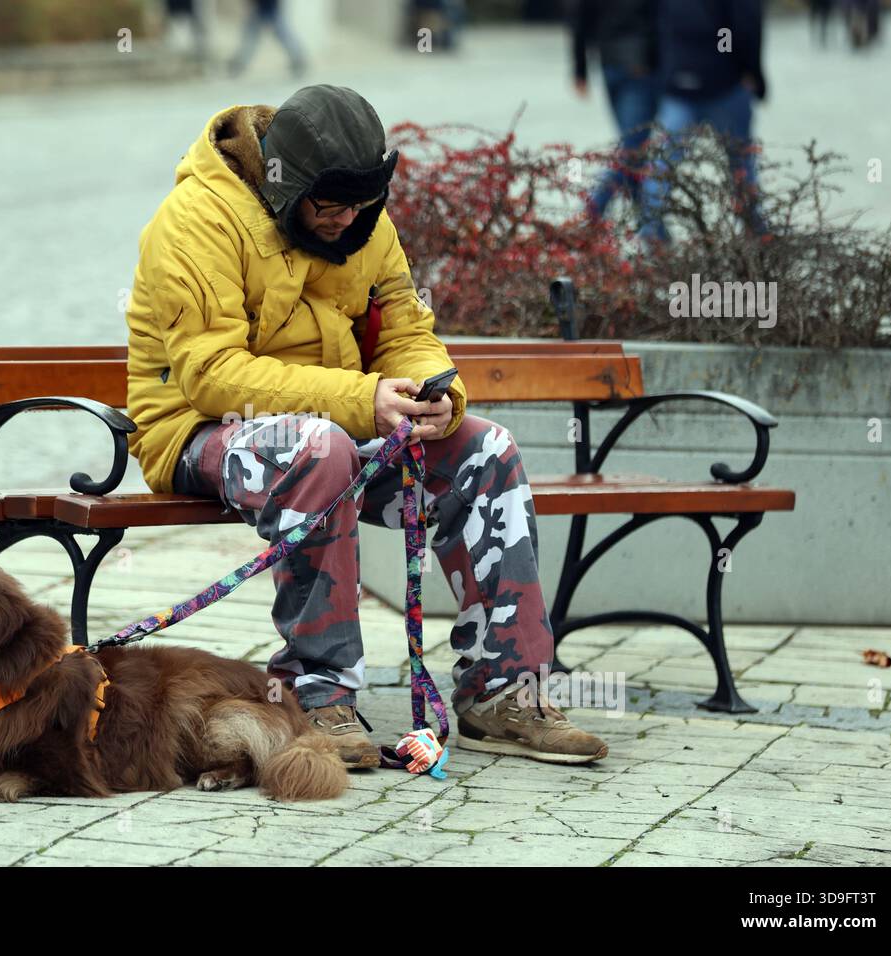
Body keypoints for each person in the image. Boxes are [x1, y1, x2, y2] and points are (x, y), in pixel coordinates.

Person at [124, 85, 609, 769]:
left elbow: (407, 330)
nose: (349, 219)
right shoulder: (196, 219)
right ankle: (316, 693)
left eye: (363, 203)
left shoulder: (362, 218)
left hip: (337, 430)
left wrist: (439, 392)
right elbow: (211, 374)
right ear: (288, 183)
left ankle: (502, 691)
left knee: (485, 450)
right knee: (318, 450)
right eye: (332, 206)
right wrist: (362, 400)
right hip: (199, 432)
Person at [639, 0, 768, 244]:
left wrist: (665, 70)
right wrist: (752, 73)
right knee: (741, 163)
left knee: (662, 164)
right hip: (724, 85)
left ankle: (652, 233)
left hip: (678, 83)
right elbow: (744, 27)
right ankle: (756, 231)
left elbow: (656, 27)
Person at [568, 0, 659, 221]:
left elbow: (581, 19)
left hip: (610, 64)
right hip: (638, 68)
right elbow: (661, 18)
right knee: (632, 152)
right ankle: (593, 210)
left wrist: (580, 69)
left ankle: (654, 231)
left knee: (633, 151)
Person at [228, 0, 306, 78]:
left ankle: (298, 60)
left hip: (269, 8)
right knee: (253, 35)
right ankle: (298, 59)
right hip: (263, 8)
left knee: (279, 33)